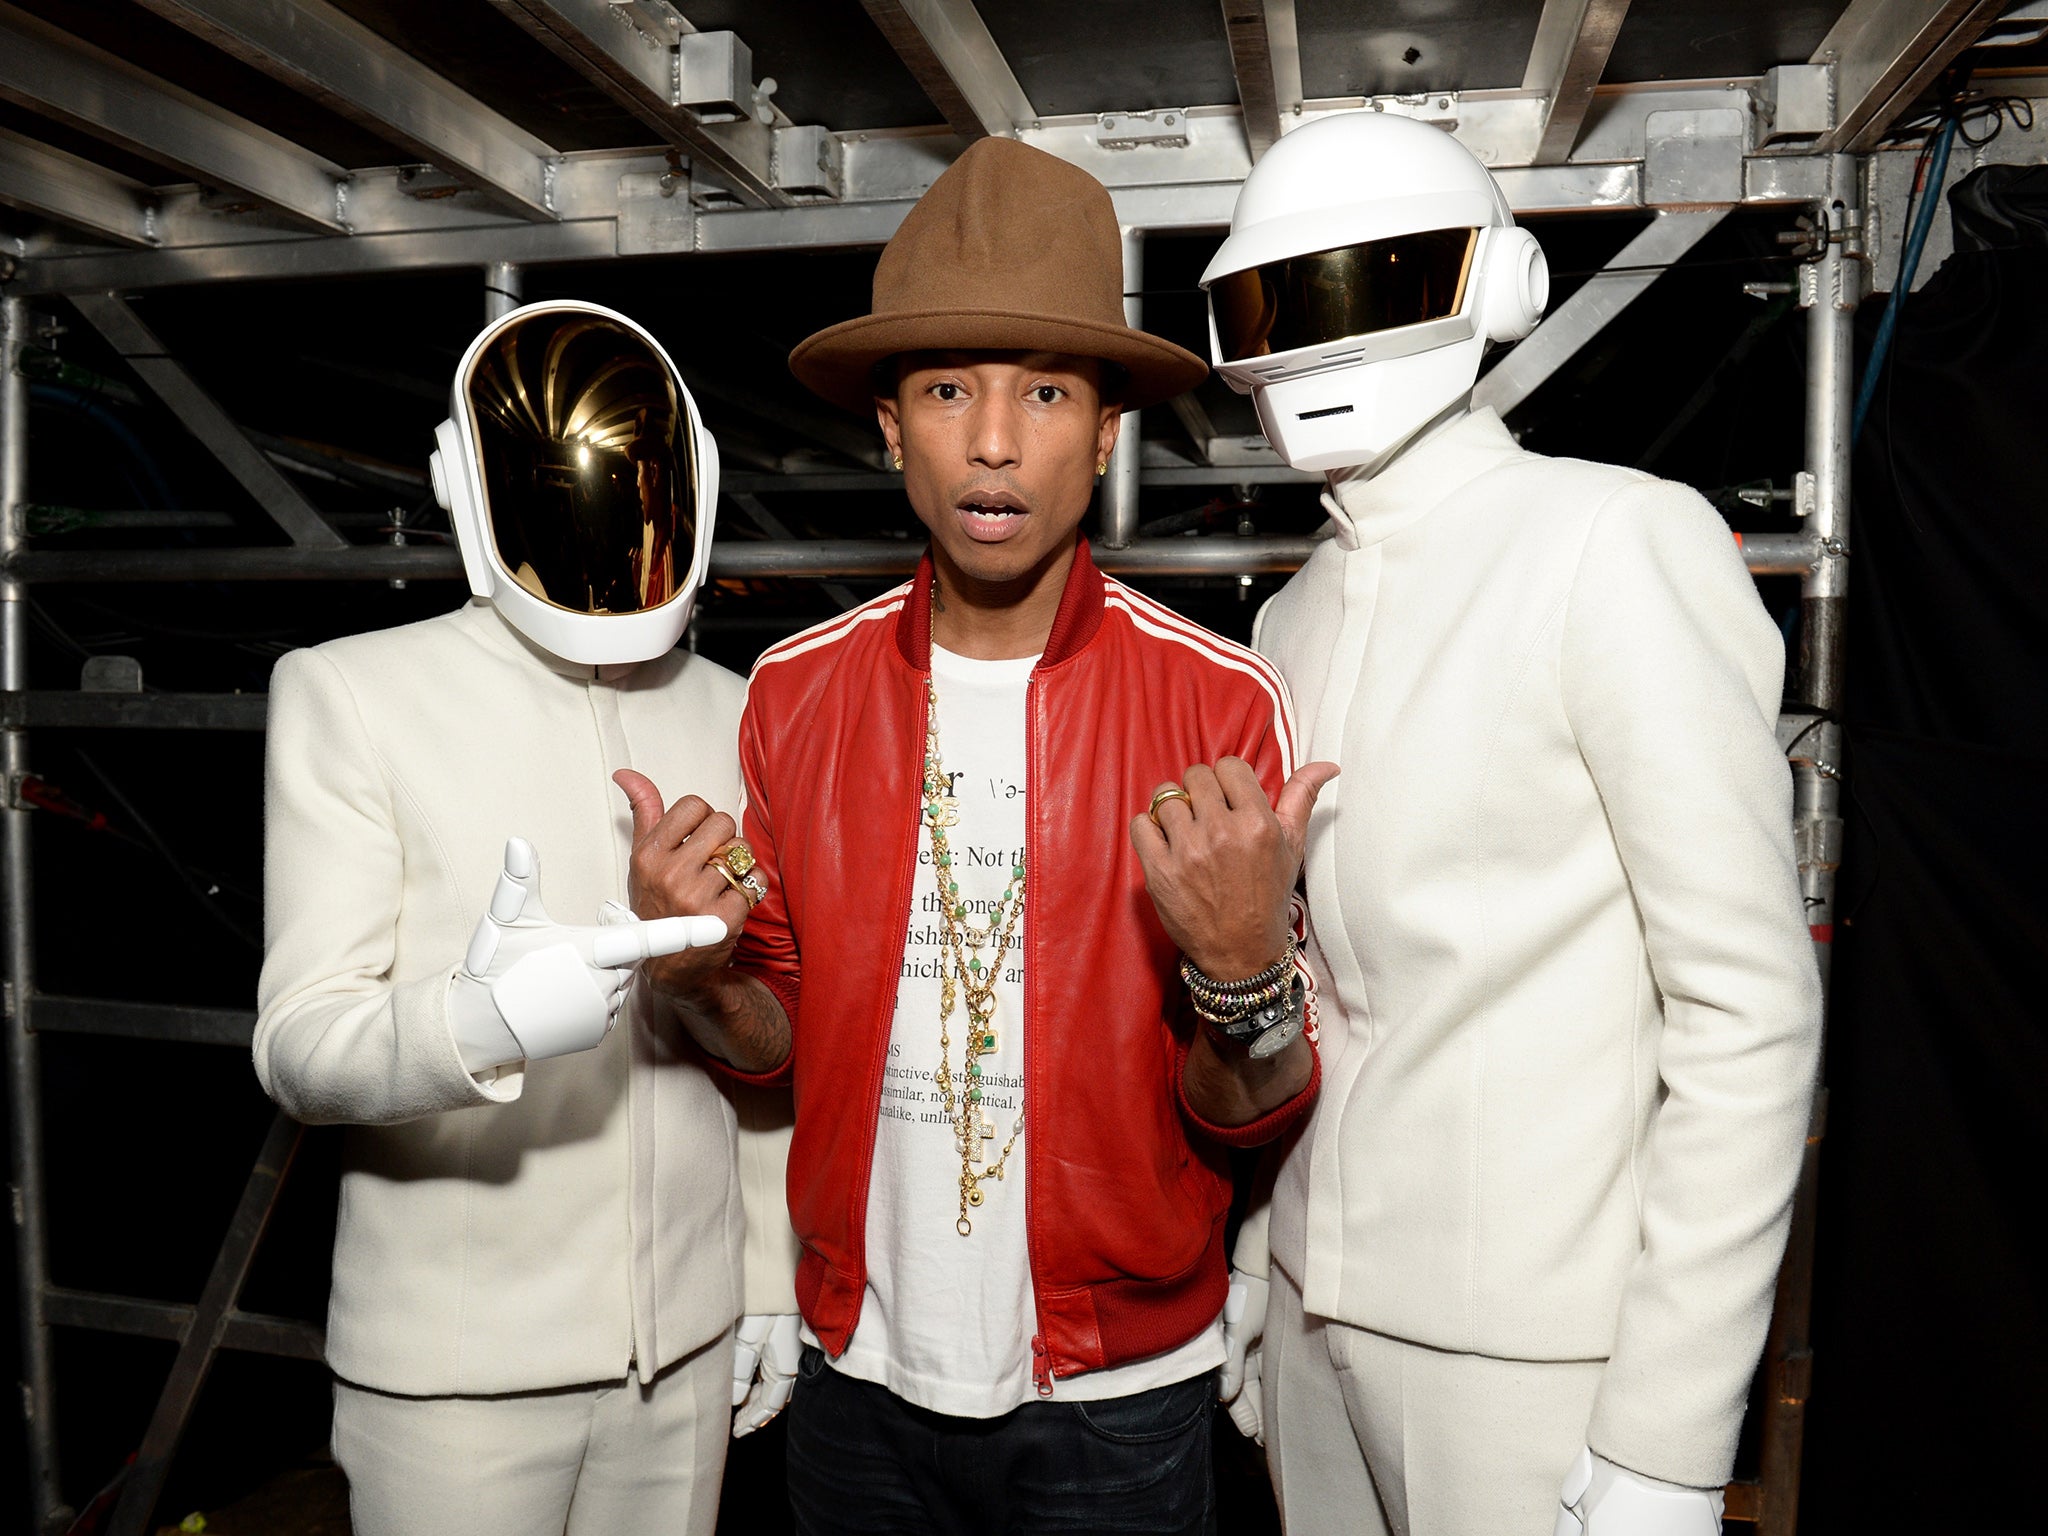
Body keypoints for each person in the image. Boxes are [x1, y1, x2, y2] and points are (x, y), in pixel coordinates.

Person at [615, 137, 1332, 1534]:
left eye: (1046, 393)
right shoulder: (797, 693)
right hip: (855, 1375)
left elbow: (1246, 1108)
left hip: (1118, 1390)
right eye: (948, 390)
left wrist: (1244, 967)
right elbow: (777, 1058)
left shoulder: (1217, 701)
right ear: (890, 425)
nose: (994, 441)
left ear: (1108, 431)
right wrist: (692, 974)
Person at [1199, 112, 1825, 1536]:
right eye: (1278, 299)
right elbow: (1309, 984)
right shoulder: (1292, 613)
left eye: (1368, 286)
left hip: (1536, 1360)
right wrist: (1258, 1263)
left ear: (1498, 284)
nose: (1319, 343)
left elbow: (1747, 1011)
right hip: (1309, 1318)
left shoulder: (1614, 542)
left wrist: (1670, 1428)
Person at [255, 300, 799, 1536]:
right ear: (464, 486)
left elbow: (764, 1022)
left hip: (689, 1344)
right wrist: (480, 1021)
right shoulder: (355, 694)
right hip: (454, 1376)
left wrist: (762, 1271)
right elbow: (297, 1046)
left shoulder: (738, 707)